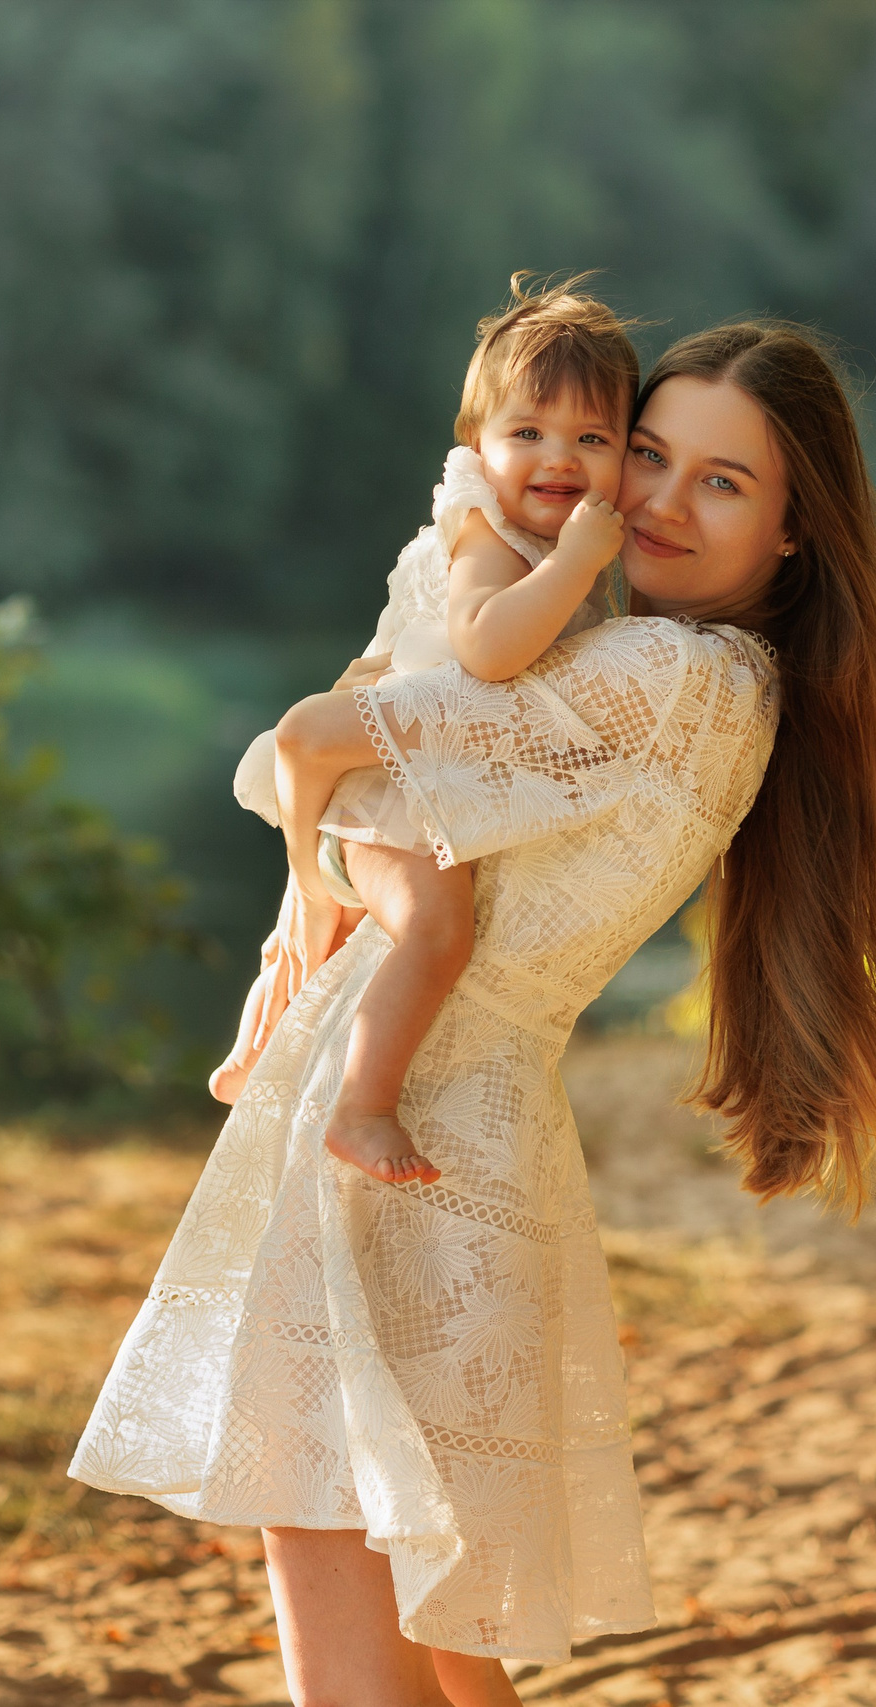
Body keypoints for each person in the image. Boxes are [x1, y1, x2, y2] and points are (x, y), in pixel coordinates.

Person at [71, 320, 876, 1707]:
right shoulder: (658, 666)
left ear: (796, 535)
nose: (657, 501)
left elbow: (307, 747)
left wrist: (320, 866)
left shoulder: (677, 680)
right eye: (649, 455)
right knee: (428, 1627)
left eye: (722, 483)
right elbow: (394, 786)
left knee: (347, 1561)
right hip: (442, 1118)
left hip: (418, 1126)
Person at [207, 276, 641, 1199]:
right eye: (527, 433)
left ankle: (258, 1060)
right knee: (437, 936)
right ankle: (363, 1102)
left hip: (404, 772)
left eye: (591, 438)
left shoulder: (544, 545)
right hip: (390, 785)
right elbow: (487, 650)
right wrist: (575, 560)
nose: (558, 457)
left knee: (316, 940)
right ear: (478, 448)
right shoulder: (495, 540)